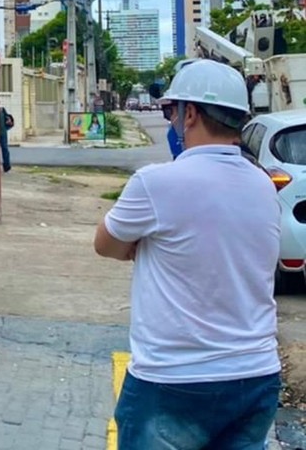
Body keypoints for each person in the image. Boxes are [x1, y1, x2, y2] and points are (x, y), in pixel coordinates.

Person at [94, 59, 281, 449]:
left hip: (172, 381)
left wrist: (145, 244)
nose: (172, 123)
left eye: (170, 112)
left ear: (190, 113)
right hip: (256, 375)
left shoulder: (156, 182)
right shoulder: (263, 184)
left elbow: (106, 245)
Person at [0, 106, 13, 172]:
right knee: (3, 149)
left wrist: (9, 121)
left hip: (2, 133)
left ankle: (7, 166)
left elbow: (8, 119)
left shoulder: (2, 110)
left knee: (5, 148)